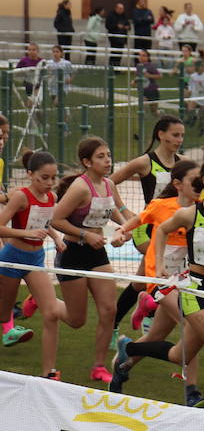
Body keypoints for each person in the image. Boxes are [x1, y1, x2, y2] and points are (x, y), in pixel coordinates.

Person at [117, 158, 204, 413]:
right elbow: (160, 231)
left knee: (177, 354)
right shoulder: (189, 214)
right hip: (194, 290)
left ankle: (129, 348)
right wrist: (159, 263)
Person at [106, 160, 197, 397]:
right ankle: (192, 392)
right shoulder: (161, 206)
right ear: (178, 184)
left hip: (185, 278)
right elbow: (136, 221)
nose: (200, 184)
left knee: (157, 335)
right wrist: (120, 231)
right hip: (159, 277)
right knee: (193, 324)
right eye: (195, 181)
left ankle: (124, 362)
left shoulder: (201, 209)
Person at [47, 136, 135, 383]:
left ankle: (99, 367)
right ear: (87, 162)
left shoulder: (109, 185)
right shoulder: (80, 187)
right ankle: (45, 301)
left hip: (97, 254)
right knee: (77, 320)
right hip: (73, 254)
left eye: (108, 155)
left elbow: (118, 216)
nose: (108, 160)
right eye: (101, 156)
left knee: (109, 310)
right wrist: (85, 234)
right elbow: (55, 219)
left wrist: (123, 232)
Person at [108, 114, 185, 333]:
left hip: (173, 230)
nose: (179, 140)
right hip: (149, 228)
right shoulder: (146, 162)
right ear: (161, 135)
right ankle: (149, 313)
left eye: (182, 136)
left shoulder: (182, 164)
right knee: (156, 274)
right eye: (175, 135)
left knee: (142, 281)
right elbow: (109, 182)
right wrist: (124, 211)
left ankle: (131, 315)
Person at [0, 150, 66, 374]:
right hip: (12, 259)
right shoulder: (20, 196)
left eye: (53, 177)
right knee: (3, 314)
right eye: (44, 178)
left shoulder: (52, 198)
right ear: (30, 174)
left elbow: (45, 224)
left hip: (35, 260)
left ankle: (50, 372)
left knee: (51, 311)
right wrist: (22, 234)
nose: (50, 183)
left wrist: (57, 238)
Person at [132, 50, 162, 117]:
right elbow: (138, 77)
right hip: (143, 91)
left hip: (152, 91)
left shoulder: (150, 66)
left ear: (147, 57)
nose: (141, 57)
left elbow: (159, 76)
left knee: (154, 111)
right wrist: (134, 81)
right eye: (140, 55)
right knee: (142, 108)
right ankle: (141, 123)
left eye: (143, 55)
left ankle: (161, 115)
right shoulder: (138, 66)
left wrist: (149, 75)